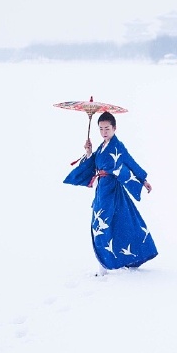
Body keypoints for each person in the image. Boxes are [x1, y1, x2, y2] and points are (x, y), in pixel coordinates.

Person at [63, 112, 158, 272]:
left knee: (102, 223)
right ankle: (109, 261)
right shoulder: (101, 148)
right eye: (101, 129)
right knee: (112, 222)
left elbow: (130, 162)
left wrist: (143, 180)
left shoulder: (117, 146)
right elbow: (93, 164)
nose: (104, 132)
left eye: (107, 128)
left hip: (112, 189)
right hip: (102, 189)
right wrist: (89, 151)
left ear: (114, 128)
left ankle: (104, 265)